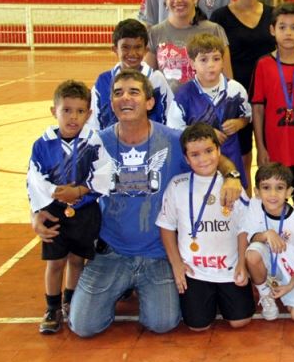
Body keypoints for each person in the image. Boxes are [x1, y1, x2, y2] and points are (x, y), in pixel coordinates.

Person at [64, 69, 243, 337]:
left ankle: (137, 286)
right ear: (111, 103)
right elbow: (67, 187)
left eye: (134, 92)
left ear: (150, 102)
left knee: (163, 323)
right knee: (83, 326)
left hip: (158, 254)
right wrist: (42, 214)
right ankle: (120, 285)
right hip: (112, 252)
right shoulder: (97, 144)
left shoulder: (172, 140)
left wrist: (231, 176)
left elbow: (210, 158)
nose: (125, 97)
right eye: (118, 93)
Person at [28, 80, 111, 334]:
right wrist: (51, 195)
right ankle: (51, 307)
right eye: (66, 110)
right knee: (55, 263)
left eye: (79, 111)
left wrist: (81, 192)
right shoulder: (43, 143)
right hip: (54, 211)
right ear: (54, 111)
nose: (73, 117)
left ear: (89, 114)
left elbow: (105, 174)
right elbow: (34, 177)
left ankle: (70, 300)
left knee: (77, 259)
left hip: (84, 210)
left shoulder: (92, 141)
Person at [157, 123, 253, 330]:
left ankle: (221, 298)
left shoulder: (232, 187)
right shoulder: (177, 186)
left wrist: (242, 263)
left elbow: (243, 228)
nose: (203, 159)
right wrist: (176, 265)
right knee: (197, 326)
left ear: (218, 151)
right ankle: (209, 300)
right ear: (186, 159)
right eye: (195, 154)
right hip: (194, 271)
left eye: (209, 151)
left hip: (228, 268)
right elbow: (166, 227)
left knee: (240, 322)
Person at [210, 0, 274, 190]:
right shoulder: (220, 17)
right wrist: (232, 96)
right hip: (237, 98)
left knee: (269, 156)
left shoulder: (272, 14)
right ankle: (245, 204)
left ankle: (269, 204)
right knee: (243, 158)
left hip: (268, 96)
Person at [167, 34, 252, 191]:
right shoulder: (183, 95)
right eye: (204, 60)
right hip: (199, 161)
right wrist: (205, 134)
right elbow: (173, 128)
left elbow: (247, 116)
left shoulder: (236, 89)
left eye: (216, 59)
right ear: (192, 63)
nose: (211, 65)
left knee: (231, 201)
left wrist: (240, 123)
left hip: (231, 155)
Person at [252, 3, 294, 190]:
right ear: (272, 30)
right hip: (274, 150)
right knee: (275, 203)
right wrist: (260, 147)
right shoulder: (263, 65)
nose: (288, 33)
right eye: (282, 27)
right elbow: (257, 109)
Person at [144, 0, 232, 93]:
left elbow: (228, 80)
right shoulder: (154, 33)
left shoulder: (214, 30)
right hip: (168, 109)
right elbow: (146, 82)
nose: (178, 0)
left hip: (207, 109)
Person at [245, 163, 294, 321]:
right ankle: (265, 294)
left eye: (279, 188)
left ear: (289, 192)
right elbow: (250, 237)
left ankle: (286, 293)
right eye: (266, 187)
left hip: (292, 272)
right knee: (253, 253)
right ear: (257, 192)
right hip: (268, 264)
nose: (272, 194)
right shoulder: (254, 205)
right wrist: (267, 234)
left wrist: (290, 286)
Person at [87, 19, 171, 130]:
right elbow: (93, 123)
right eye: (125, 47)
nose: (132, 53)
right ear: (115, 49)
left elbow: (170, 116)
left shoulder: (156, 80)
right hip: (110, 145)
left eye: (137, 47)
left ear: (146, 50)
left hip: (152, 144)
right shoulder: (103, 81)